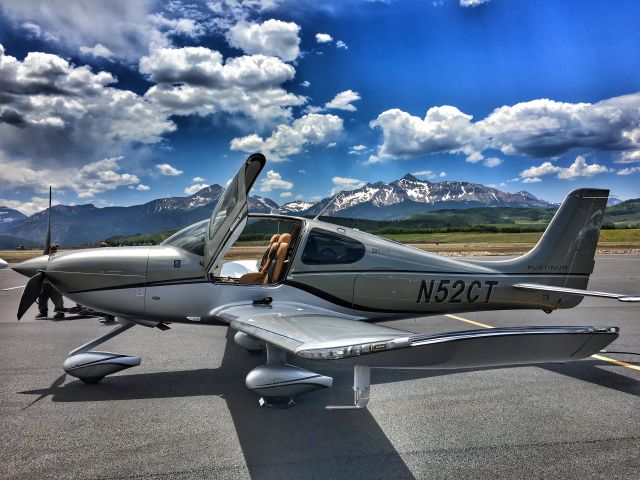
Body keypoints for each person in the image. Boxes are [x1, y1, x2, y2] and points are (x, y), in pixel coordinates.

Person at [35, 244, 65, 320]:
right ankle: (43, 312)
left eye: (54, 248)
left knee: (57, 298)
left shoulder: (60, 259)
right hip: (45, 282)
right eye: (52, 248)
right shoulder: (45, 258)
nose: (53, 250)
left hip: (54, 283)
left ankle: (60, 313)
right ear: (49, 249)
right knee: (42, 298)